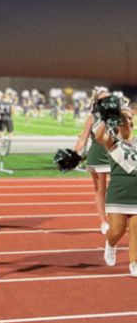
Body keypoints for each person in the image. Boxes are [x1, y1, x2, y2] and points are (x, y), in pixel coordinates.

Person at [96, 103, 137, 275]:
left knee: (136, 228)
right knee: (116, 231)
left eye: (130, 118)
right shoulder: (112, 142)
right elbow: (99, 136)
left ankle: (134, 262)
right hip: (118, 192)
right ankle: (111, 243)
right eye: (124, 118)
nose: (129, 120)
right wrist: (107, 117)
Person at [74, 86, 112, 234]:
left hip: (116, 155)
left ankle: (121, 216)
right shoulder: (92, 118)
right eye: (103, 99)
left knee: (122, 187)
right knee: (101, 189)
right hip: (98, 156)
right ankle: (104, 222)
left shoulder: (119, 116)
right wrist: (73, 155)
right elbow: (83, 140)